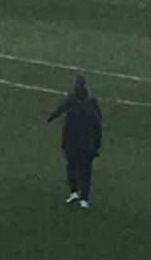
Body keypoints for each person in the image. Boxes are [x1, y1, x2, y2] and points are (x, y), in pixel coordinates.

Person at [47, 74, 103, 209]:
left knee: (71, 167)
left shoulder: (72, 111)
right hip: (87, 146)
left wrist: (51, 118)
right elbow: (98, 126)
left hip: (73, 145)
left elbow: (65, 125)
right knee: (86, 172)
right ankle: (84, 199)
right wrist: (97, 145)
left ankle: (73, 192)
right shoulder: (91, 107)